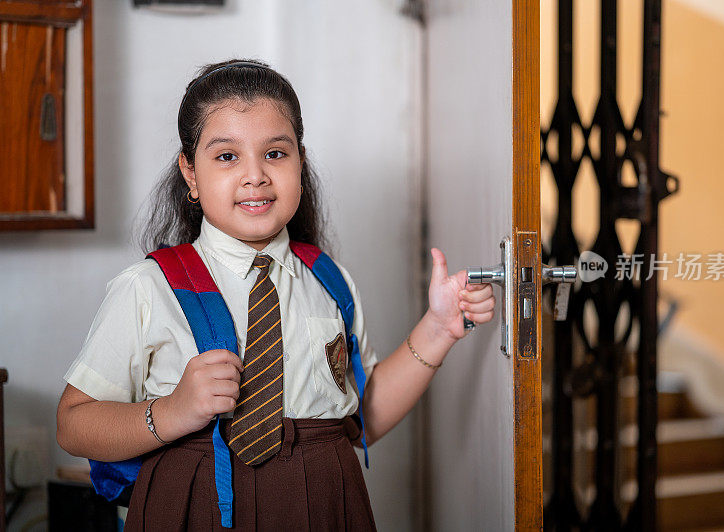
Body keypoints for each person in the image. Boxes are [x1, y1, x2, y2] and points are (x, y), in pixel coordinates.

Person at [56, 59, 496, 531]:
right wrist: (172, 410)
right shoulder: (148, 288)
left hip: (326, 504)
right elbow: (73, 423)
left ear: (300, 163)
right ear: (190, 174)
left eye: (275, 154)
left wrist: (438, 329)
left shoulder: (330, 281)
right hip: (192, 509)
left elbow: (359, 417)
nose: (255, 176)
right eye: (227, 156)